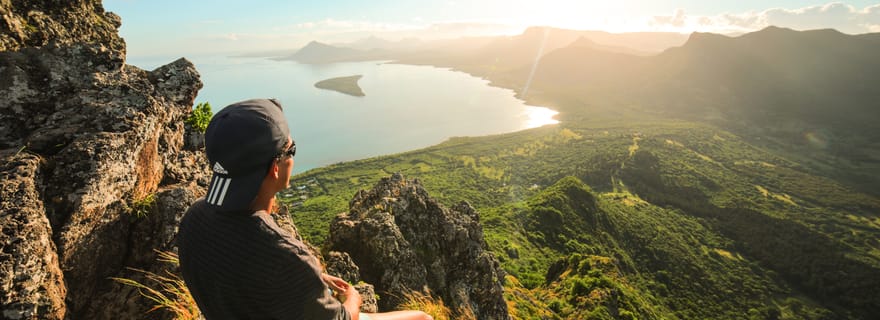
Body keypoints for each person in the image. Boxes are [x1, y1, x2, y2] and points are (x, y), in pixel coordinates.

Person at [177, 99, 431, 320]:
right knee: (423, 318)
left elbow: (243, 274)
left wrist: (311, 280)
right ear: (275, 168)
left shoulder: (194, 219)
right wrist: (353, 298)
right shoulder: (284, 255)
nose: (293, 156)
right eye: (291, 149)